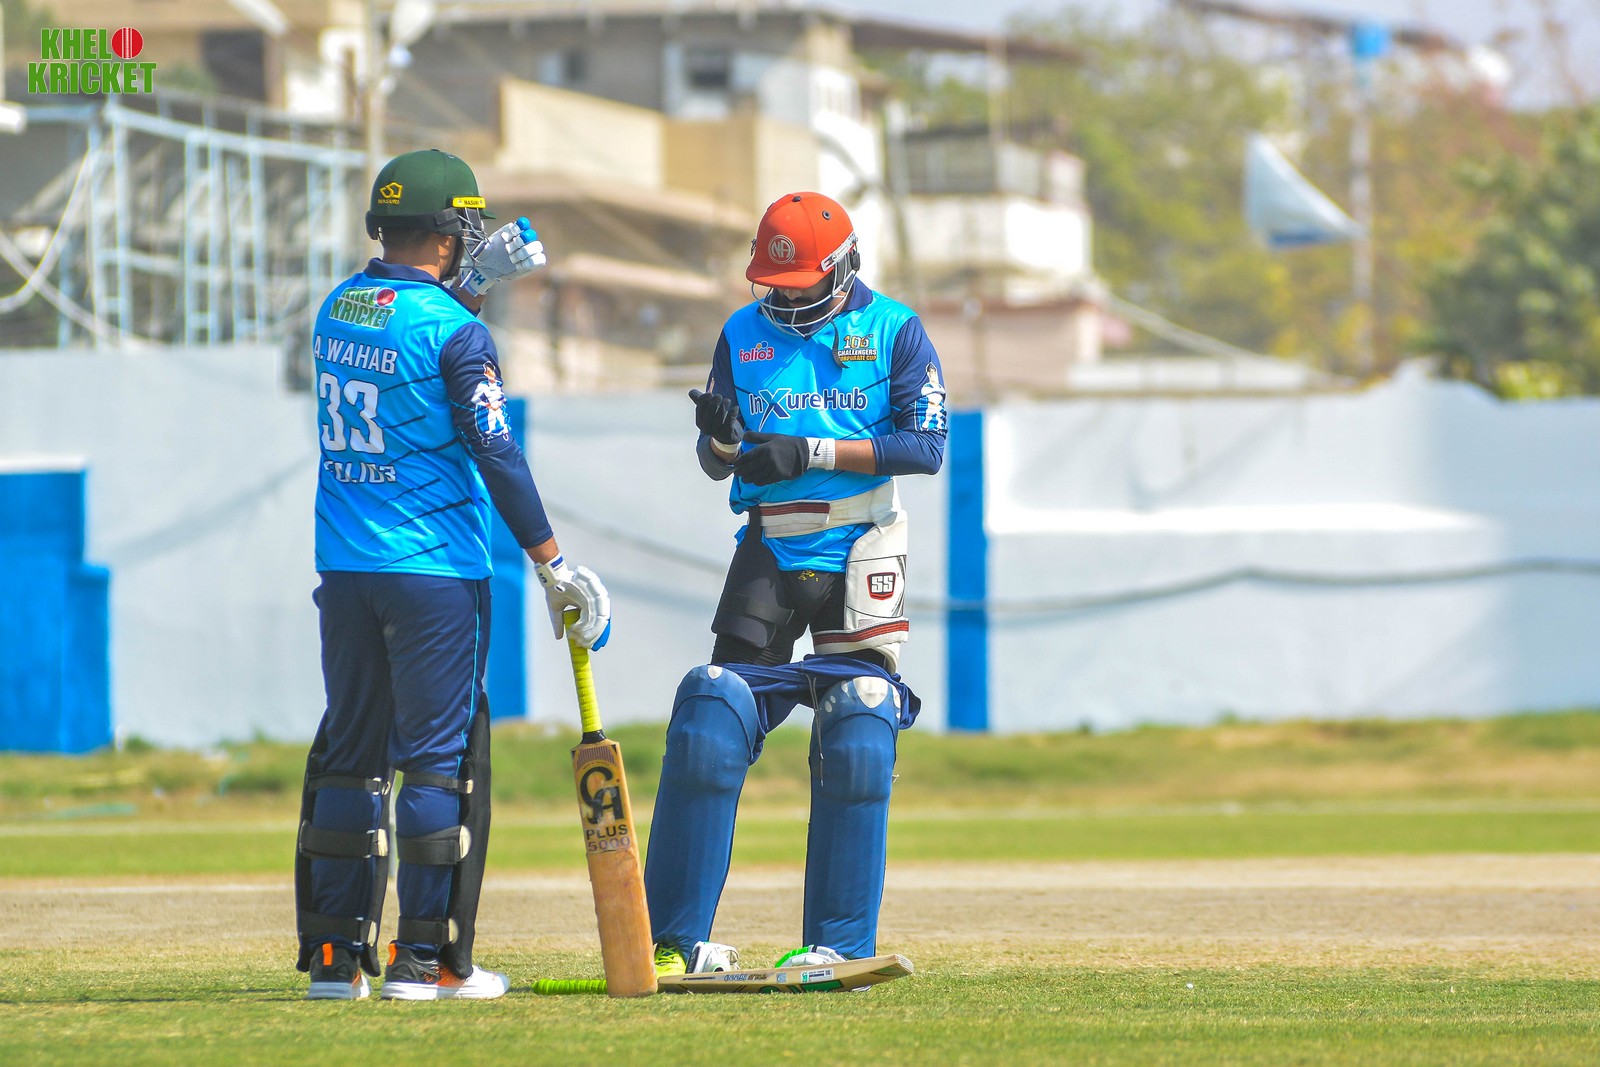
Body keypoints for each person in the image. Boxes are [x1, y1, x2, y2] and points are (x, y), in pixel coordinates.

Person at [294, 149, 611, 1001]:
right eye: (465, 227)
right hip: (434, 570)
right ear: (447, 231)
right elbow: (495, 448)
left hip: (345, 565)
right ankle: (423, 962)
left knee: (351, 758)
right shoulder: (458, 332)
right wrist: (550, 561)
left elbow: (402, 339)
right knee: (438, 767)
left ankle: (334, 960)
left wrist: (465, 288)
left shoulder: (335, 308)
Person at [644, 191, 947, 975]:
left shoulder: (896, 329)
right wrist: (721, 439)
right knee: (711, 714)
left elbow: (925, 446)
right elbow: (718, 463)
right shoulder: (740, 333)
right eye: (773, 285)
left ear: (845, 269)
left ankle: (837, 945)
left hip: (862, 540)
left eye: (801, 285)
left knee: (860, 725)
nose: (784, 300)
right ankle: (674, 942)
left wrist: (811, 451)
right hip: (769, 541)